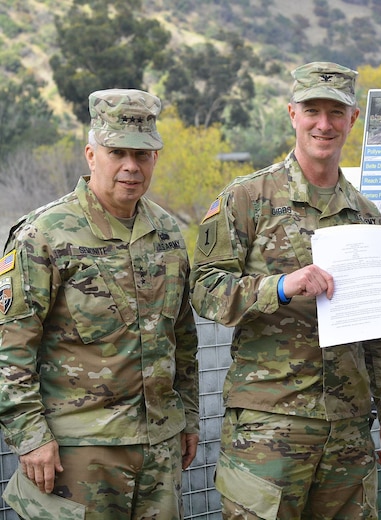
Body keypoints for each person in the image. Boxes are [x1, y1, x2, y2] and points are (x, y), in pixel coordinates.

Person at [190, 61, 381, 519]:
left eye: (336, 112)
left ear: (353, 120)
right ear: (292, 113)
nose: (323, 124)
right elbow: (205, 289)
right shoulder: (246, 199)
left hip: (348, 431)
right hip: (269, 427)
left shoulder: (369, 219)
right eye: (312, 110)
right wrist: (281, 287)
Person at [0, 89, 200, 519]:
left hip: (157, 452)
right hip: (77, 454)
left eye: (142, 154)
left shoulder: (166, 232)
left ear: (155, 159)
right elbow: (10, 347)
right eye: (117, 152)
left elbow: (181, 338)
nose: (131, 166)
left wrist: (188, 419)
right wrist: (30, 436)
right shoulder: (44, 234)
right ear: (91, 154)